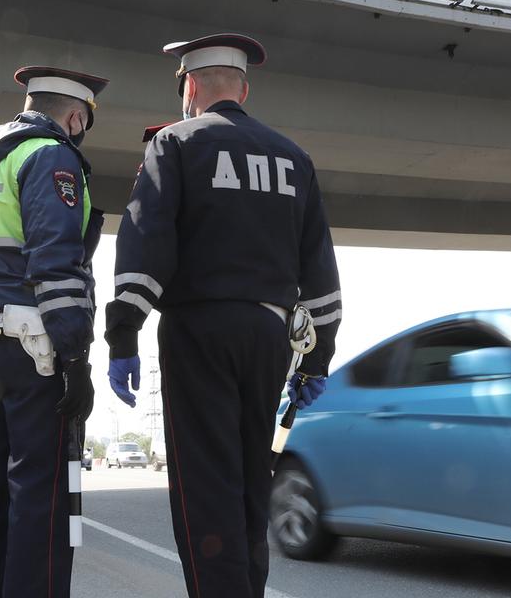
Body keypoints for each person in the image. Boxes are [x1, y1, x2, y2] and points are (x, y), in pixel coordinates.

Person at [105, 34, 341, 598]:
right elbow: (321, 272)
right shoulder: (294, 158)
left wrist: (122, 334)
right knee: (248, 486)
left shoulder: (176, 144)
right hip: (269, 336)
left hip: (199, 332)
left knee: (203, 488)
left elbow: (147, 243)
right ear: (245, 87)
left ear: (189, 87)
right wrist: (318, 360)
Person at [0, 65, 108, 598]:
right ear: (73, 115)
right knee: (47, 506)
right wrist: (76, 360)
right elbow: (57, 264)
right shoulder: (52, 155)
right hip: (38, 349)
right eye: (84, 123)